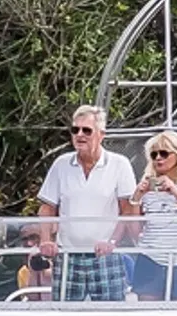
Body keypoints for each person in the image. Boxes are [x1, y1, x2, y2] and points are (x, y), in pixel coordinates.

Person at [35, 105, 137, 301]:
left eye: (86, 130)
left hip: (106, 256)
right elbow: (47, 208)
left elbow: (127, 211)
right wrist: (46, 240)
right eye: (75, 130)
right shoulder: (61, 164)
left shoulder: (119, 164)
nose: (80, 135)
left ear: (101, 134)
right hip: (68, 256)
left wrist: (112, 242)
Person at [128, 130, 177, 301]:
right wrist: (136, 198)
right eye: (154, 154)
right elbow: (134, 231)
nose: (158, 158)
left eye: (164, 153)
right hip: (151, 258)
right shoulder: (147, 183)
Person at [14, 225, 52, 301]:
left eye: (33, 237)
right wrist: (33, 270)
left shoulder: (60, 263)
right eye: (25, 239)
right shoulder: (23, 272)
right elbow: (33, 299)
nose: (29, 243)